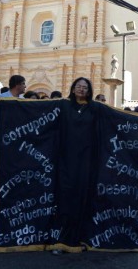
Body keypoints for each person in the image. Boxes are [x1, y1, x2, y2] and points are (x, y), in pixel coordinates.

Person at [51, 77, 98, 255]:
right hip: (65, 161)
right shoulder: (63, 106)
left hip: (87, 162)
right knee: (65, 198)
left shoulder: (95, 108)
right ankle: (62, 240)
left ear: (89, 90)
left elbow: (115, 118)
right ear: (72, 88)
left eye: (84, 87)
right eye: (78, 86)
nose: (81, 89)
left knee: (84, 199)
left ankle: (82, 238)